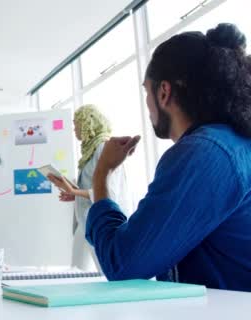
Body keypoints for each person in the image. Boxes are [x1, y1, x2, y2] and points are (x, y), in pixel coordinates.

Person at [86, 23, 251, 291]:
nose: (148, 105)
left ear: (164, 92)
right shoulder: (234, 143)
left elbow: (124, 264)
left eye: (145, 91)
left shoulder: (205, 154)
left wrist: (101, 174)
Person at [47, 105, 131, 272]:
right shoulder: (90, 151)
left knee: (107, 271)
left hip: (102, 222)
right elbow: (93, 188)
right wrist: (75, 194)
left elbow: (109, 194)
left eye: (76, 124)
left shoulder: (103, 148)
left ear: (87, 124)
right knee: (77, 271)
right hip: (86, 221)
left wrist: (74, 192)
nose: (74, 129)